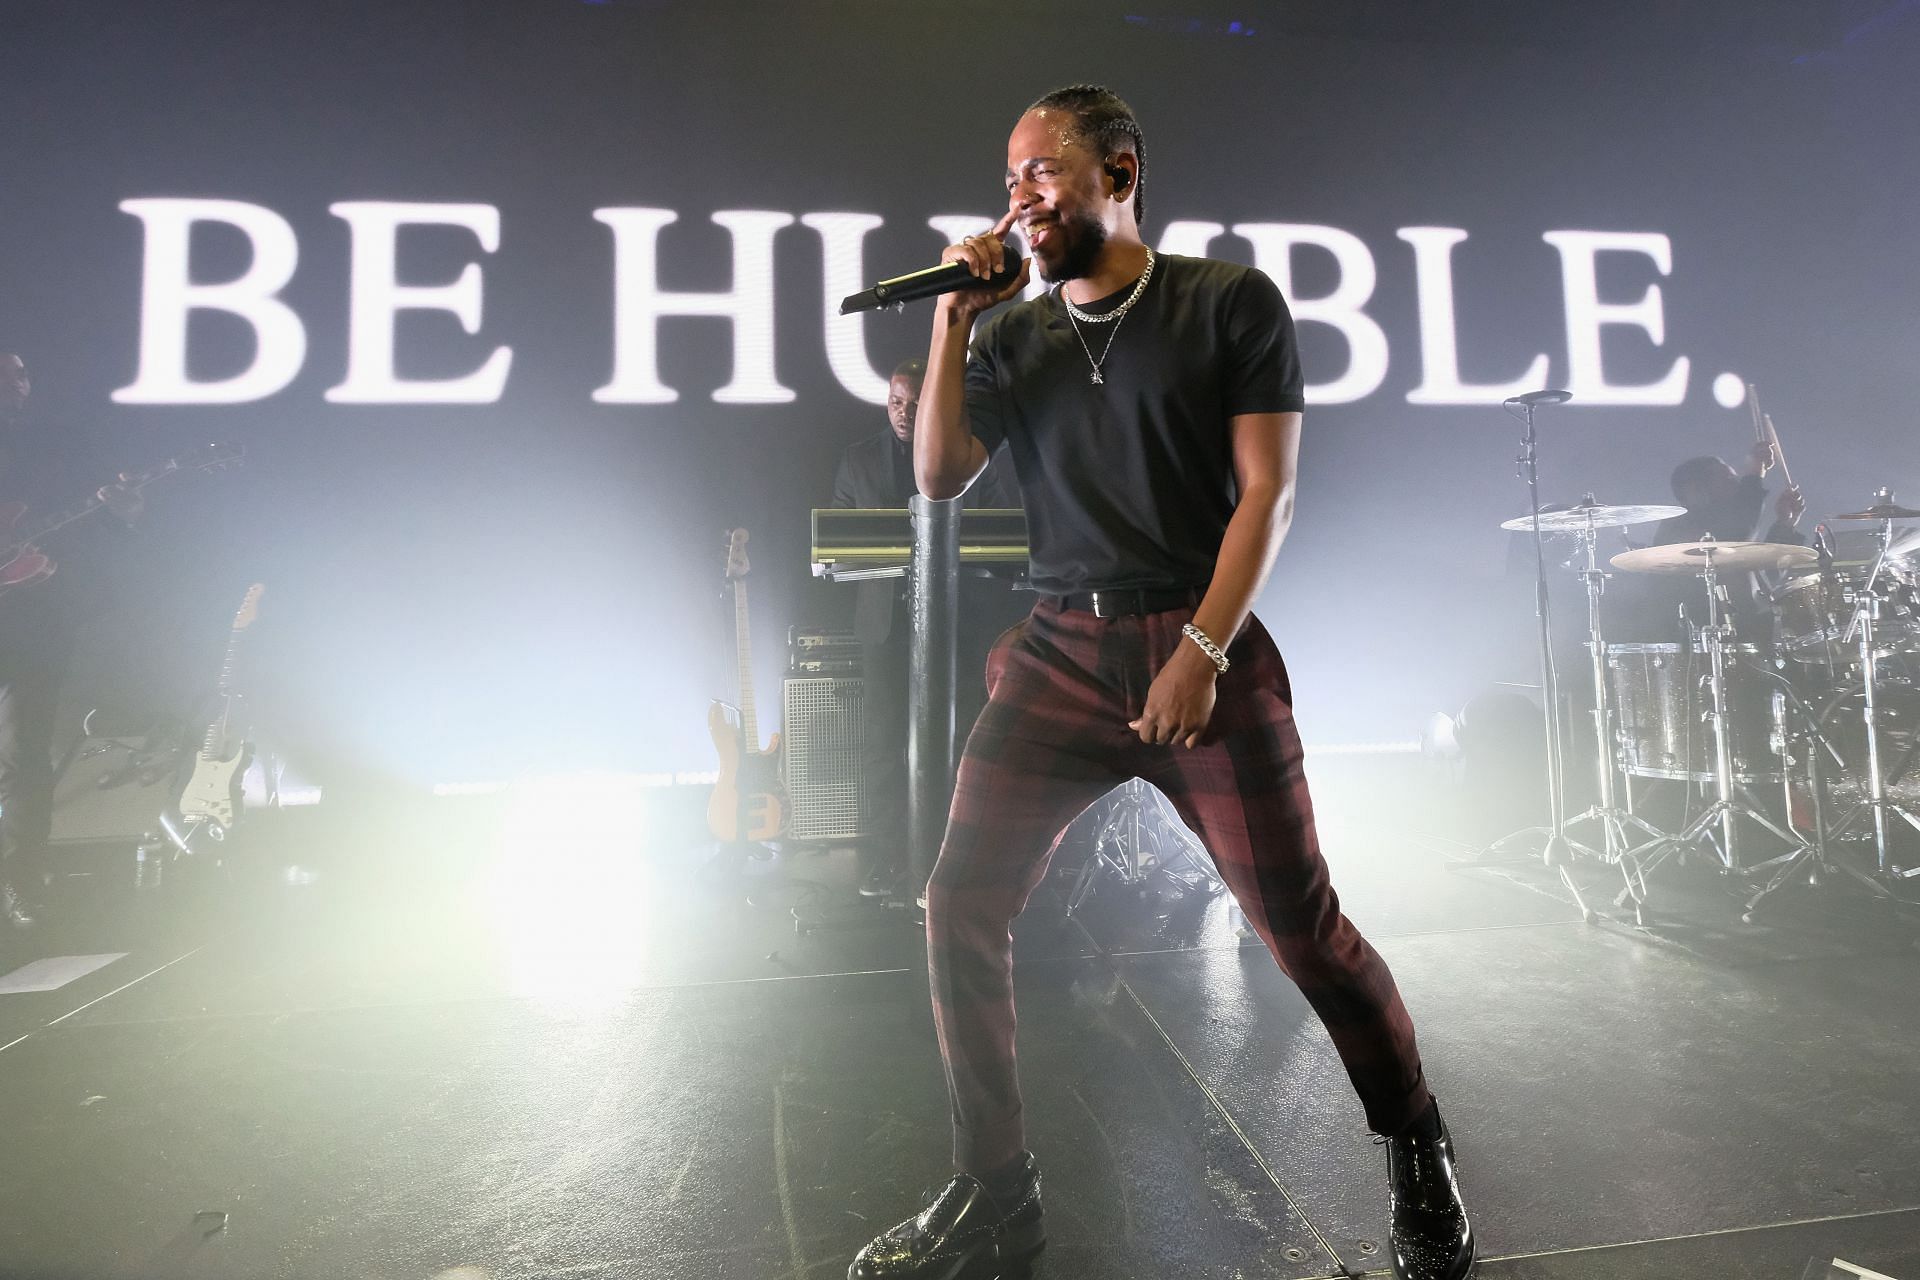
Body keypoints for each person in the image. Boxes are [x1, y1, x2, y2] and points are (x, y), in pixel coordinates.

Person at [847, 88, 1472, 1280]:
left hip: (1206, 639)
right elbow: (935, 476)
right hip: (1062, 649)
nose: (1019, 195)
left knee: (1306, 935)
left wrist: (1203, 649)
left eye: (1043, 172)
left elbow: (1268, 493)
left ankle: (1418, 1148)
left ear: (1119, 170)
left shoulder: (1225, 301)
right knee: (958, 904)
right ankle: (995, 1194)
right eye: (1011, 177)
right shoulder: (1014, 336)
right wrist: (955, 322)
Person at [831, 358, 1018, 896]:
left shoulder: (974, 457)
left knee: (962, 743)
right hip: (885, 628)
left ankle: (953, 863)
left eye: (915, 403)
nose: (904, 413)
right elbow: (840, 545)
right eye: (895, 402)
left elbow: (1002, 537)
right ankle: (887, 860)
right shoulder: (858, 460)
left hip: (959, 629)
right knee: (883, 746)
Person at [0, 350, 143, 929]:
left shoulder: (53, 453)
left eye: (21, 374)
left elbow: (95, 532)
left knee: (25, 755)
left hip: (35, 626)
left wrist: (125, 515)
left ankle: (23, 879)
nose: (16, 384)